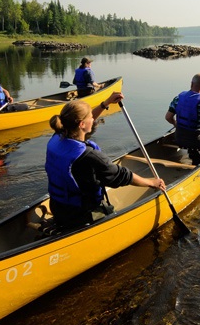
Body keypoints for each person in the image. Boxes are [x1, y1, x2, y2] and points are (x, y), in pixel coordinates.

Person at [45, 91, 165, 229]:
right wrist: (151, 182)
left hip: (57, 207)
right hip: (81, 215)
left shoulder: (57, 136)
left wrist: (105, 104)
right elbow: (122, 175)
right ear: (82, 124)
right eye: (91, 117)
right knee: (114, 219)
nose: (94, 120)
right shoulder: (90, 156)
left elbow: (80, 122)